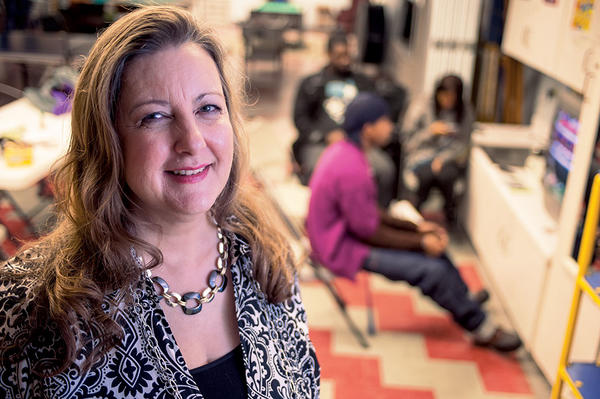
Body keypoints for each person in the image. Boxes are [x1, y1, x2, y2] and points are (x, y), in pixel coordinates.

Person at [0, 6, 320, 399]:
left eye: (207, 108)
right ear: (107, 141)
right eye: (154, 116)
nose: (193, 141)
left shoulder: (266, 258)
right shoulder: (33, 306)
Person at [306, 92, 521, 352]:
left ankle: (464, 299)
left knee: (435, 245)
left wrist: (418, 229)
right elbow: (368, 230)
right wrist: (419, 242)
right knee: (433, 271)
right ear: (368, 128)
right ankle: (481, 328)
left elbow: (368, 215)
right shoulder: (350, 166)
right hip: (341, 248)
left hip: (352, 234)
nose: (390, 126)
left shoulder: (347, 152)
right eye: (384, 120)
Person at [292, 32, 396, 207]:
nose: (345, 60)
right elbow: (300, 120)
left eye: (348, 55)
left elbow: (374, 116)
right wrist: (325, 135)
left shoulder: (363, 83)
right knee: (321, 170)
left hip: (358, 143)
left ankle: (377, 216)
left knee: (384, 169)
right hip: (321, 143)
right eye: (340, 55)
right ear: (329, 54)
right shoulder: (312, 83)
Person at [402, 74, 475, 224]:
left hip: (449, 158)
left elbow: (463, 144)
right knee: (426, 176)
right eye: (444, 96)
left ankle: (448, 215)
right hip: (421, 156)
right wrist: (430, 131)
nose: (447, 101)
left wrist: (443, 158)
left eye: (452, 97)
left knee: (446, 176)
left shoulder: (465, 112)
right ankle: (416, 215)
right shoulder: (421, 106)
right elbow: (407, 142)